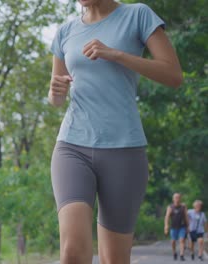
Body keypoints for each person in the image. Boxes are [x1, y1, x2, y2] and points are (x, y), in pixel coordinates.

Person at [48, 0, 183, 263]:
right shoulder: (65, 31)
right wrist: (55, 92)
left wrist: (116, 54)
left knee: (115, 259)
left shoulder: (137, 15)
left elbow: (174, 75)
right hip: (72, 145)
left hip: (124, 149)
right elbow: (56, 97)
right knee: (72, 252)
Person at [164, 193, 190, 261]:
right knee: (173, 241)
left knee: (182, 240)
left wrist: (188, 226)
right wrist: (166, 226)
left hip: (182, 227)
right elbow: (167, 217)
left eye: (178, 197)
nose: (177, 199)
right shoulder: (170, 207)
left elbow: (186, 217)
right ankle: (174, 252)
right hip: (173, 227)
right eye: (175, 197)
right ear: (173, 199)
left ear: (180, 198)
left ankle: (182, 255)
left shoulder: (183, 207)